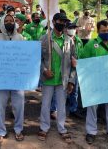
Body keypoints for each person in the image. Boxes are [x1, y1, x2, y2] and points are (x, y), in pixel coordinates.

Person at [80, 20, 108, 145]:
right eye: (104, 31)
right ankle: (91, 131)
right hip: (94, 81)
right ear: (98, 31)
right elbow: (83, 61)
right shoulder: (90, 45)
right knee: (92, 106)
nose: (107, 32)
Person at [38, 13, 76, 143]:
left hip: (62, 80)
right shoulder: (44, 39)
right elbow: (38, 59)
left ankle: (62, 128)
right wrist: (44, 71)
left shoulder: (69, 41)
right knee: (45, 104)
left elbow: (74, 62)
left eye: (64, 21)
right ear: (53, 21)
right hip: (48, 79)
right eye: (60, 21)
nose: (62, 23)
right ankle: (44, 127)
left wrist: (71, 81)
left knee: (61, 105)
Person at [0, 14, 25, 144]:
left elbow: (25, 55)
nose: (9, 22)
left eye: (11, 21)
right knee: (0, 107)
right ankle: (0, 132)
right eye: (6, 21)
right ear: (2, 23)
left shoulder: (20, 37)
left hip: (17, 78)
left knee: (19, 106)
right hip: (1, 78)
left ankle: (18, 130)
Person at [65, 22, 83, 117]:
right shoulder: (64, 40)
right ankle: (54, 109)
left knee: (75, 90)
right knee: (62, 90)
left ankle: (73, 109)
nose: (72, 29)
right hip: (65, 68)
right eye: (70, 27)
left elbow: (82, 54)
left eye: (74, 28)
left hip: (76, 68)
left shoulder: (79, 41)